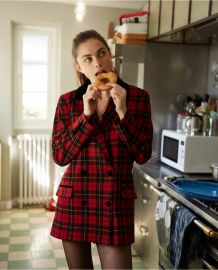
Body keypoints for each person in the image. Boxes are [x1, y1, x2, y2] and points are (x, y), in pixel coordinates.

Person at [50, 29, 153, 269]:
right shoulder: (68, 102)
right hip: (76, 199)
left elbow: (143, 154)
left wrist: (123, 113)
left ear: (110, 56)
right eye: (88, 59)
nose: (97, 63)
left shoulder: (138, 98)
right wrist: (85, 116)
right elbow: (60, 156)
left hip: (114, 199)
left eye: (102, 54)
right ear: (79, 67)